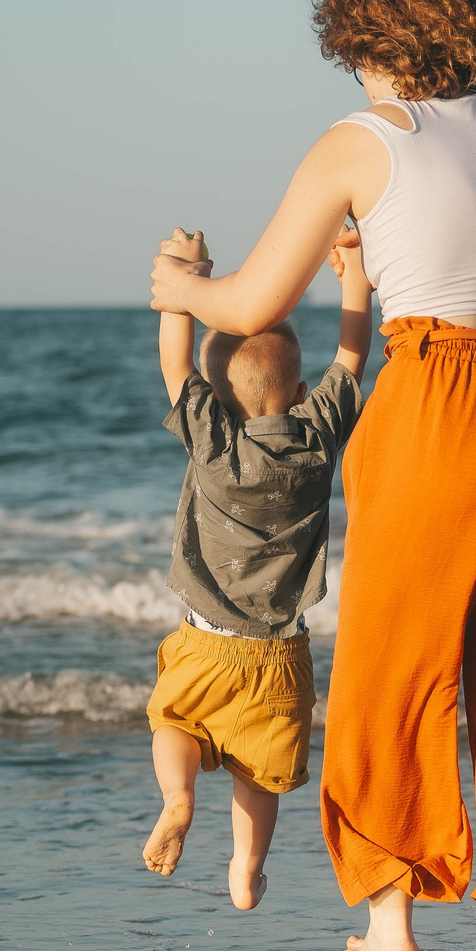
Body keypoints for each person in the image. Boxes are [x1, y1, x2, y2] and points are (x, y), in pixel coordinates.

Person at [148, 0, 476, 951]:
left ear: (374, 40)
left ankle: (389, 916)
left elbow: (255, 306)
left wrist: (179, 284)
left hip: (448, 398)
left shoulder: (364, 137)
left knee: (392, 671)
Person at [142, 226, 373, 909]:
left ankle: (178, 798)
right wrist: (354, 271)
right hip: (280, 658)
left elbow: (173, 362)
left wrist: (186, 276)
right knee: (260, 773)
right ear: (299, 389)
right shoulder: (317, 436)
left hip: (204, 642)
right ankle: (246, 868)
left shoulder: (211, 439)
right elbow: (354, 353)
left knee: (175, 722)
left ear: (215, 393)